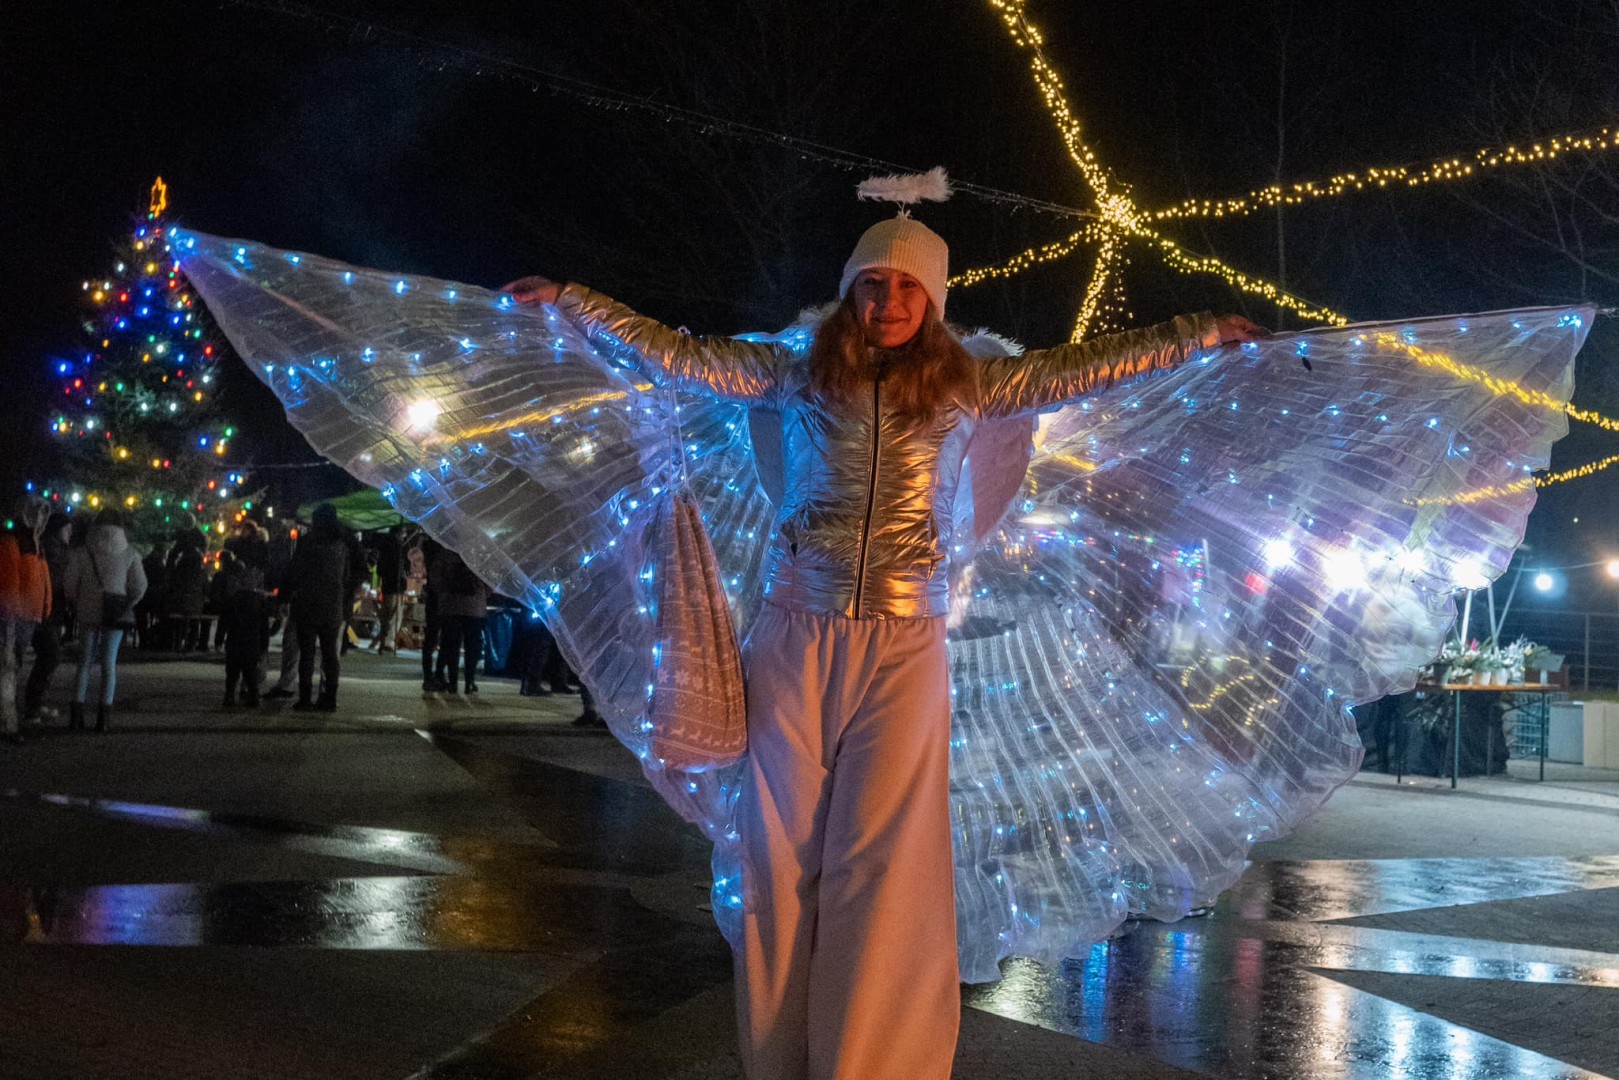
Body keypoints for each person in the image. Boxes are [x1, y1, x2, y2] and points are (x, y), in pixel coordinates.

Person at [503, 207, 1264, 1079]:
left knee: (885, 862)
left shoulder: (969, 384)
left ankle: (864, 1063)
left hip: (905, 645)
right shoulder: (790, 375)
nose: (888, 300)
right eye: (872, 282)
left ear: (933, 299)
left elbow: (1087, 367)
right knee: (777, 855)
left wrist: (1196, 334)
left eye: (907, 286)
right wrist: (575, 302)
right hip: (794, 634)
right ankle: (778, 1060)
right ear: (849, 292)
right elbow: (675, 353)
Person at [63, 510, 147, 732]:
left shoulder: (84, 551)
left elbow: (69, 583)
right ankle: (103, 718)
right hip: (115, 613)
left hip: (87, 611)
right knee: (109, 664)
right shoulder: (129, 553)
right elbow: (140, 586)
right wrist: (127, 602)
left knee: (84, 662)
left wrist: (77, 601)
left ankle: (76, 715)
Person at [279, 502, 353, 712]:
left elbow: (293, 572)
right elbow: (346, 576)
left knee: (307, 653)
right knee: (330, 654)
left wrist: (284, 597)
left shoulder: (307, 543)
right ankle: (330, 698)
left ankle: (305, 699)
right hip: (332, 605)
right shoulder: (342, 545)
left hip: (307, 603)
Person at [1, 516, 53, 744]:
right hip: (16, 616)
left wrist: (45, 605)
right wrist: (11, 613)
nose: (41, 519)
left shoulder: (35, 543)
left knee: (12, 668)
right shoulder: (13, 543)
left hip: (29, 614)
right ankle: (7, 723)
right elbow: (10, 582)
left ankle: (9, 720)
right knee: (8, 668)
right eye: (37, 514)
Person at [23, 512, 71, 724]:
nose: (70, 533)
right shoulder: (53, 550)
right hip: (47, 611)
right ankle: (33, 706)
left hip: (48, 609)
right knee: (50, 655)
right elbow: (55, 581)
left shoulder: (52, 548)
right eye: (67, 529)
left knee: (48, 656)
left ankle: (34, 704)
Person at [218, 557, 272, 708]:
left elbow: (224, 620)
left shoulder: (234, 598)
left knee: (232, 671)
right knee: (250, 671)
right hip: (252, 641)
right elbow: (264, 626)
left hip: (234, 639)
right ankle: (253, 697)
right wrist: (264, 644)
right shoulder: (259, 601)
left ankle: (229, 696)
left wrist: (219, 638)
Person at [434, 550, 489, 695]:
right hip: (475, 607)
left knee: (452, 646)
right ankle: (469, 682)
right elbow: (489, 580)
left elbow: (436, 578)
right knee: (472, 647)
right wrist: (483, 596)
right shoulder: (480, 553)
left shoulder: (446, 553)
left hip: (451, 605)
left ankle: (452, 683)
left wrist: (444, 596)